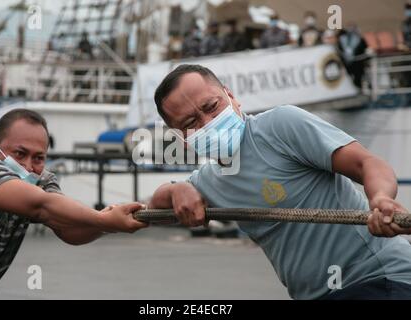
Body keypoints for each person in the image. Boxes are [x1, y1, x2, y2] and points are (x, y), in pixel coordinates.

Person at [150, 64, 411, 300]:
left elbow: (367, 163)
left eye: (211, 107)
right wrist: (176, 188)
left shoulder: (280, 126)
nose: (208, 122)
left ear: (231, 97)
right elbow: (154, 210)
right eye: (191, 122)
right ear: (181, 137)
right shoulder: (208, 181)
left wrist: (380, 199)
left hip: (379, 280)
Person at [0, 109, 147, 299]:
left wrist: (108, 224)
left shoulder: (39, 179)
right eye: (19, 153)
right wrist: (102, 218)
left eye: (38, 158)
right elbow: (41, 206)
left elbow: (68, 228)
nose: (27, 166)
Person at [337, 23, 368, 88]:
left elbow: (365, 48)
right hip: (346, 63)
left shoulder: (359, 39)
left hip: (358, 63)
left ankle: (358, 88)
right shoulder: (342, 39)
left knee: (358, 76)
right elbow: (339, 50)